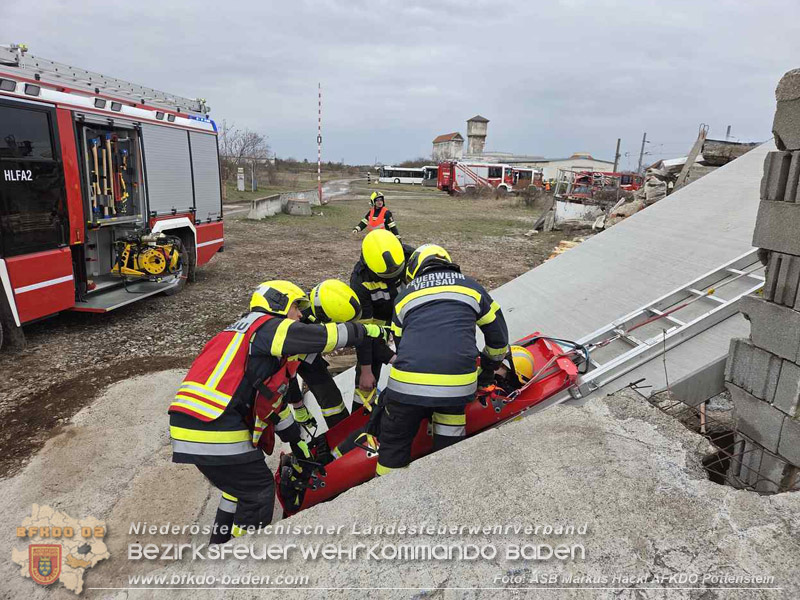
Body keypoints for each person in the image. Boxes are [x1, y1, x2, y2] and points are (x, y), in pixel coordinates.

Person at [168, 280, 386, 544]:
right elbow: (324, 338)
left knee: (236, 490)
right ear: (279, 304)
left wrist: (296, 439)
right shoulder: (267, 326)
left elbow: (273, 404)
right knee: (259, 492)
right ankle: (237, 559)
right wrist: (365, 331)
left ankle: (219, 545)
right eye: (296, 307)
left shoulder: (249, 336)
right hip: (216, 424)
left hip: (193, 424)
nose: (300, 315)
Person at [376, 244, 510, 475]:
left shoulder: (403, 297)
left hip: (407, 386)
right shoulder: (473, 288)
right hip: (456, 386)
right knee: (449, 446)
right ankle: (445, 489)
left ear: (414, 271)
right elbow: (499, 339)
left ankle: (383, 501)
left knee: (393, 447)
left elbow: (402, 346)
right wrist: (487, 369)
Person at [349, 229, 414, 410]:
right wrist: (366, 370)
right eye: (388, 277)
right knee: (366, 378)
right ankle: (361, 417)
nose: (394, 279)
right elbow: (365, 334)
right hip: (379, 321)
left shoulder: (411, 257)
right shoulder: (360, 281)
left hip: (411, 315)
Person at [287, 279, 363, 430]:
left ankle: (344, 433)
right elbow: (287, 373)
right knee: (329, 399)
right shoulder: (291, 328)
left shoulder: (322, 304)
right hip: (284, 366)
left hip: (308, 355)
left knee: (332, 399)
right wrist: (298, 405)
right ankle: (341, 436)